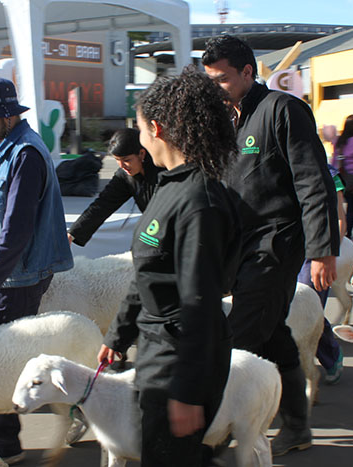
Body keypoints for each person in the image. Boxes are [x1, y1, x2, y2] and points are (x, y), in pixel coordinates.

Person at [202, 34, 340, 456]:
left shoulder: (284, 110)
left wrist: (321, 249)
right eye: (210, 81)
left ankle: (216, 436)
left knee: (236, 340)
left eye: (222, 80)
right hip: (240, 249)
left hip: (276, 247)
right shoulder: (228, 120)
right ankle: (297, 425)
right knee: (276, 338)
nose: (215, 89)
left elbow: (314, 184)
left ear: (248, 72)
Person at [98, 65, 241, 467]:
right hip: (156, 351)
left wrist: (186, 390)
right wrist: (116, 336)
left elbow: (200, 302)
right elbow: (145, 273)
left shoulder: (201, 203)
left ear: (156, 129)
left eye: (140, 128)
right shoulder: (168, 186)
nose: (140, 137)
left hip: (181, 361)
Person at [0, 77, 73, 466]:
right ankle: (7, 446)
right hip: (12, 275)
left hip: (15, 278)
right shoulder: (6, 147)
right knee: (10, 363)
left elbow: (16, 231)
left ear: (8, 114)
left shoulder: (25, 154)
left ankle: (4, 451)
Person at [68, 128, 164, 246]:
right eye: (117, 160)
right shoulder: (124, 176)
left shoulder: (165, 170)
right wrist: (73, 233)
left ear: (142, 153)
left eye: (127, 160)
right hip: (155, 234)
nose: (122, 166)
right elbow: (103, 204)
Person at [298, 164, 347, 384]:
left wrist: (328, 253)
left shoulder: (330, 172)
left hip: (315, 253)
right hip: (284, 249)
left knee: (309, 308)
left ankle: (331, 355)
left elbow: (339, 218)